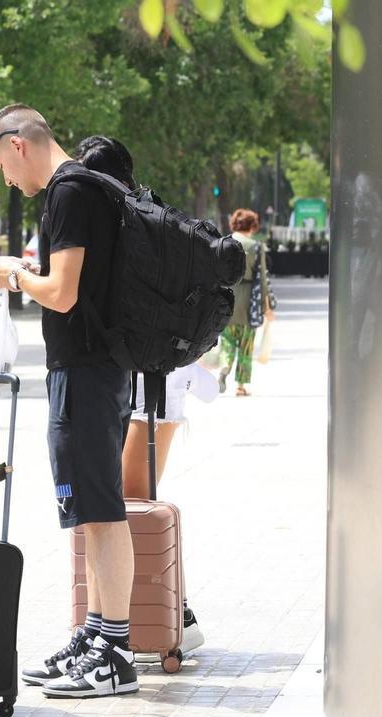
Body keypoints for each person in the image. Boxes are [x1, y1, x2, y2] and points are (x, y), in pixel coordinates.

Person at [0, 104, 138, 699]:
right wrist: (23, 270)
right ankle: (96, 635)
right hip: (92, 368)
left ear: (18, 144)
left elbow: (63, 294)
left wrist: (14, 277)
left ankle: (115, 652)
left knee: (101, 512)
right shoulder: (81, 189)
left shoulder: (68, 192)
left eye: (0, 164)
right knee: (89, 512)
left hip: (87, 371)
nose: (5, 178)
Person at [74, 135, 212, 655]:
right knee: (134, 501)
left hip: (142, 383)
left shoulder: (121, 222)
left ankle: (168, 616)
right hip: (162, 379)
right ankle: (164, 613)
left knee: (129, 502)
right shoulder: (150, 216)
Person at [219, 209, 273, 396]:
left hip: (227, 297)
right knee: (246, 344)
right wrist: (267, 307)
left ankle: (225, 364)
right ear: (253, 225)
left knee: (227, 339)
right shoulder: (256, 246)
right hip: (249, 299)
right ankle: (240, 386)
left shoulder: (224, 243)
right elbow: (263, 278)